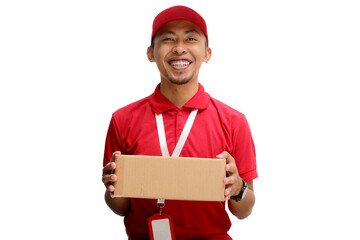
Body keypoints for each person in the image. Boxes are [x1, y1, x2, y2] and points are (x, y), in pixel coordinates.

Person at [102, 5, 258, 240]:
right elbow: (120, 208)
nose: (179, 48)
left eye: (191, 38)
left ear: (207, 53)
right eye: (168, 39)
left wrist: (239, 189)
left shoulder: (234, 122)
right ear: (150, 53)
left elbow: (243, 211)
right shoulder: (122, 120)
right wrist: (112, 189)